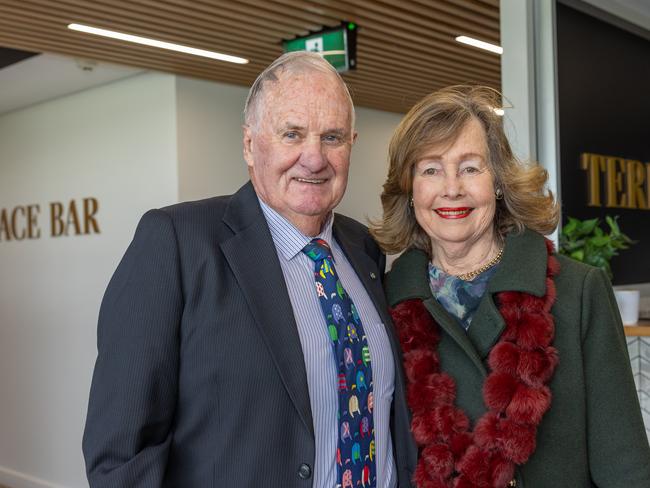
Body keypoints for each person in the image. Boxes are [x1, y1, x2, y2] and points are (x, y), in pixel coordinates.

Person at [82, 52, 416, 487]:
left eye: (332, 137)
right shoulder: (177, 242)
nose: (313, 158)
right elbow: (120, 453)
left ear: (352, 143)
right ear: (249, 143)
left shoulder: (363, 248)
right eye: (291, 134)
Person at [371, 85, 650, 487]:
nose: (452, 188)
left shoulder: (578, 292)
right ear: (410, 191)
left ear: (498, 182)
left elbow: (625, 466)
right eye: (430, 169)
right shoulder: (383, 302)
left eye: (470, 167)